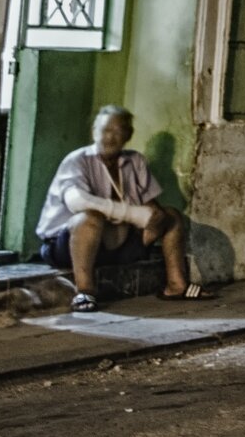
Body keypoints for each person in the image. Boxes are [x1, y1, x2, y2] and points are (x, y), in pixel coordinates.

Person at [36, 105, 203, 311]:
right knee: (89, 218)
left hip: (117, 247)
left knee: (172, 216)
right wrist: (130, 213)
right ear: (94, 131)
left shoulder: (135, 161)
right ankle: (84, 292)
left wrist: (155, 217)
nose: (110, 138)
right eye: (105, 130)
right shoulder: (77, 161)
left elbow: (151, 208)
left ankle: (176, 286)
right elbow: (76, 201)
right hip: (66, 248)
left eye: (118, 131)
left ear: (128, 135)